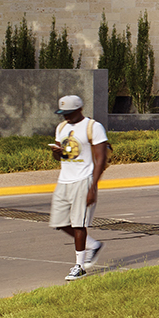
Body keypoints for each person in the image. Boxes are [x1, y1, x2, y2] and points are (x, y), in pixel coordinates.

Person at [49, 95, 109, 282]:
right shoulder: (61, 128)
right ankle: (93, 245)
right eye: (63, 113)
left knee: (78, 224)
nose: (66, 117)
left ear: (79, 110)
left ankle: (80, 266)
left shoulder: (93, 127)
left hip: (84, 179)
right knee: (58, 222)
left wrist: (93, 187)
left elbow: (101, 159)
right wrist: (56, 153)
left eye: (69, 113)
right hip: (64, 180)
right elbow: (61, 158)